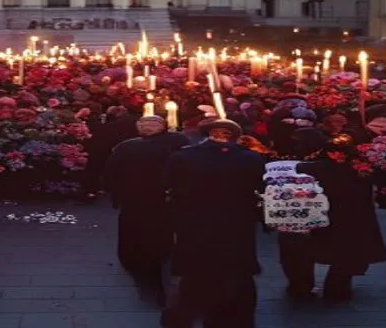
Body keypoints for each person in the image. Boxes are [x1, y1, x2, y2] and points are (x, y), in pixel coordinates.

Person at [163, 118, 266, 328]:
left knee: (194, 272)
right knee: (237, 274)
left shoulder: (182, 157)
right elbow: (261, 189)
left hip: (194, 221)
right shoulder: (252, 158)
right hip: (237, 223)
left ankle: (187, 314)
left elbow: (167, 185)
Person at [272, 128, 386, 301]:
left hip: (308, 215)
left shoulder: (301, 165)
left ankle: (303, 287)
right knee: (343, 252)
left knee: (300, 252)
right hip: (345, 217)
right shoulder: (353, 165)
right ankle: (334, 287)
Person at [102, 115, 189, 303]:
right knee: (156, 231)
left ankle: (138, 261)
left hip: (139, 198)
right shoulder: (175, 143)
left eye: (150, 124)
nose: (146, 127)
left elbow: (111, 173)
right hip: (155, 198)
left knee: (137, 230)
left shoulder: (127, 146)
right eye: (143, 124)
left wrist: (116, 194)